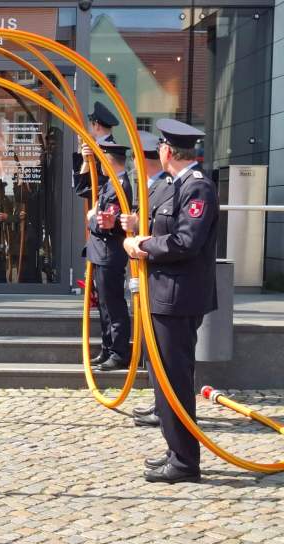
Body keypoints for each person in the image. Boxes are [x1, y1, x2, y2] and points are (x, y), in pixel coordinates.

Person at [123, 118, 218, 484]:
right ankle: (175, 450)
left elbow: (184, 242)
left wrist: (141, 246)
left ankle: (184, 461)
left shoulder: (198, 188)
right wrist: (137, 229)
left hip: (177, 299)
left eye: (160, 147)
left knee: (174, 380)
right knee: (164, 380)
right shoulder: (175, 186)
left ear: (166, 151)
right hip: (164, 296)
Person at [121, 130, 170, 428]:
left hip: (164, 282)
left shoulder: (166, 186)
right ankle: (160, 405)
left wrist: (140, 240)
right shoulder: (151, 186)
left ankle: (166, 409)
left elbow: (171, 234)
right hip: (152, 280)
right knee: (155, 354)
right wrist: (135, 222)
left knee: (167, 356)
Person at [80, 137, 133, 371]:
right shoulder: (111, 183)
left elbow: (104, 224)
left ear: (109, 161)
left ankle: (119, 351)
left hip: (110, 252)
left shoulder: (120, 186)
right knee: (103, 304)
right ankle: (107, 347)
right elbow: (84, 189)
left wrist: (92, 217)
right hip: (101, 252)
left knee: (113, 304)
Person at [72, 101, 119, 195]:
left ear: (96, 126)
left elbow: (82, 188)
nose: (88, 128)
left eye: (90, 124)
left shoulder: (108, 150)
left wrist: (86, 161)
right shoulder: (98, 146)